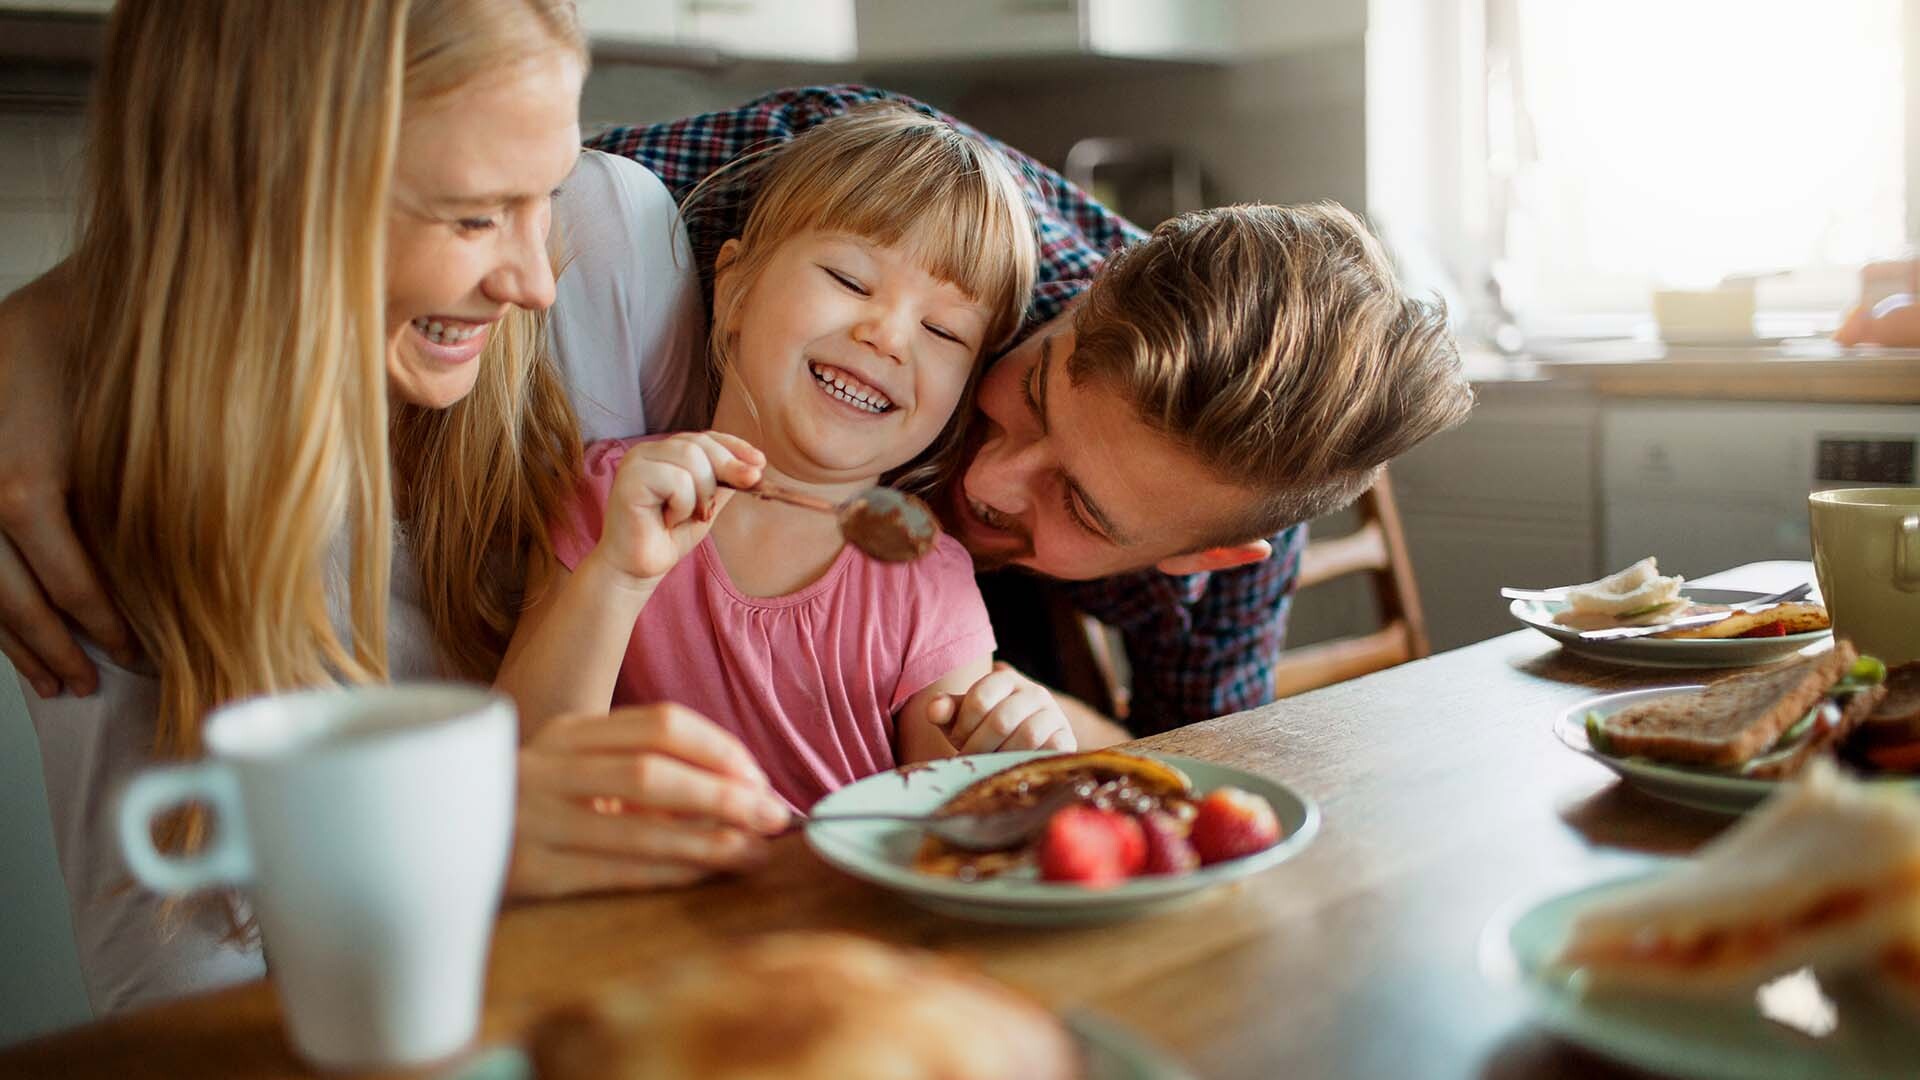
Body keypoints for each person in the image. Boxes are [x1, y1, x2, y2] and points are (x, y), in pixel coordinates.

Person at [7, 0, 788, 1015]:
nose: (530, 280)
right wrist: (452, 853)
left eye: (542, 191)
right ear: (260, 189)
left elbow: (930, 209)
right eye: (471, 216)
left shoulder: (610, 239)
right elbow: (177, 993)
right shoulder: (97, 464)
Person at [589, 86, 1472, 736]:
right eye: (1034, 395)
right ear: (1085, 294)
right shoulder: (852, 195)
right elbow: (513, 187)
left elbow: (1184, 772)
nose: (988, 478)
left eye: (1081, 506)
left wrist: (1045, 721)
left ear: (1202, 554)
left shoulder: (1231, 576)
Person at [498, 105, 1065, 810]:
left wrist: (1006, 753)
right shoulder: (613, 494)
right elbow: (523, 770)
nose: (887, 336)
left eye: (943, 331)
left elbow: (954, 825)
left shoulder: (929, 578)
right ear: (734, 289)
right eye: (851, 281)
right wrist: (617, 574)